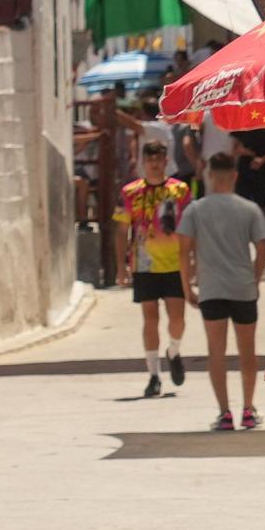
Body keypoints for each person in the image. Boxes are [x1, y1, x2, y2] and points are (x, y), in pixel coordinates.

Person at [179, 154, 265, 431]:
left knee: (216, 352)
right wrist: (255, 281)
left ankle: (224, 413)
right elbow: (263, 249)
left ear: (209, 175)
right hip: (242, 287)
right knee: (248, 351)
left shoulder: (195, 210)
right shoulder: (249, 208)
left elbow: (184, 251)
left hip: (211, 289)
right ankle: (248, 409)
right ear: (234, 175)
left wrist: (187, 288)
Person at [114, 140, 191, 399]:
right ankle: (154, 375)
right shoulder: (130, 191)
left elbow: (190, 227)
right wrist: (121, 267)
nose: (155, 164)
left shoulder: (180, 190)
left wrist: (194, 262)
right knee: (150, 319)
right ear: (143, 163)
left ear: (166, 161)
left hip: (174, 261)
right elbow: (122, 229)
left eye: (159, 160)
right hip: (143, 262)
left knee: (177, 318)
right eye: (150, 160)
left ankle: (174, 351)